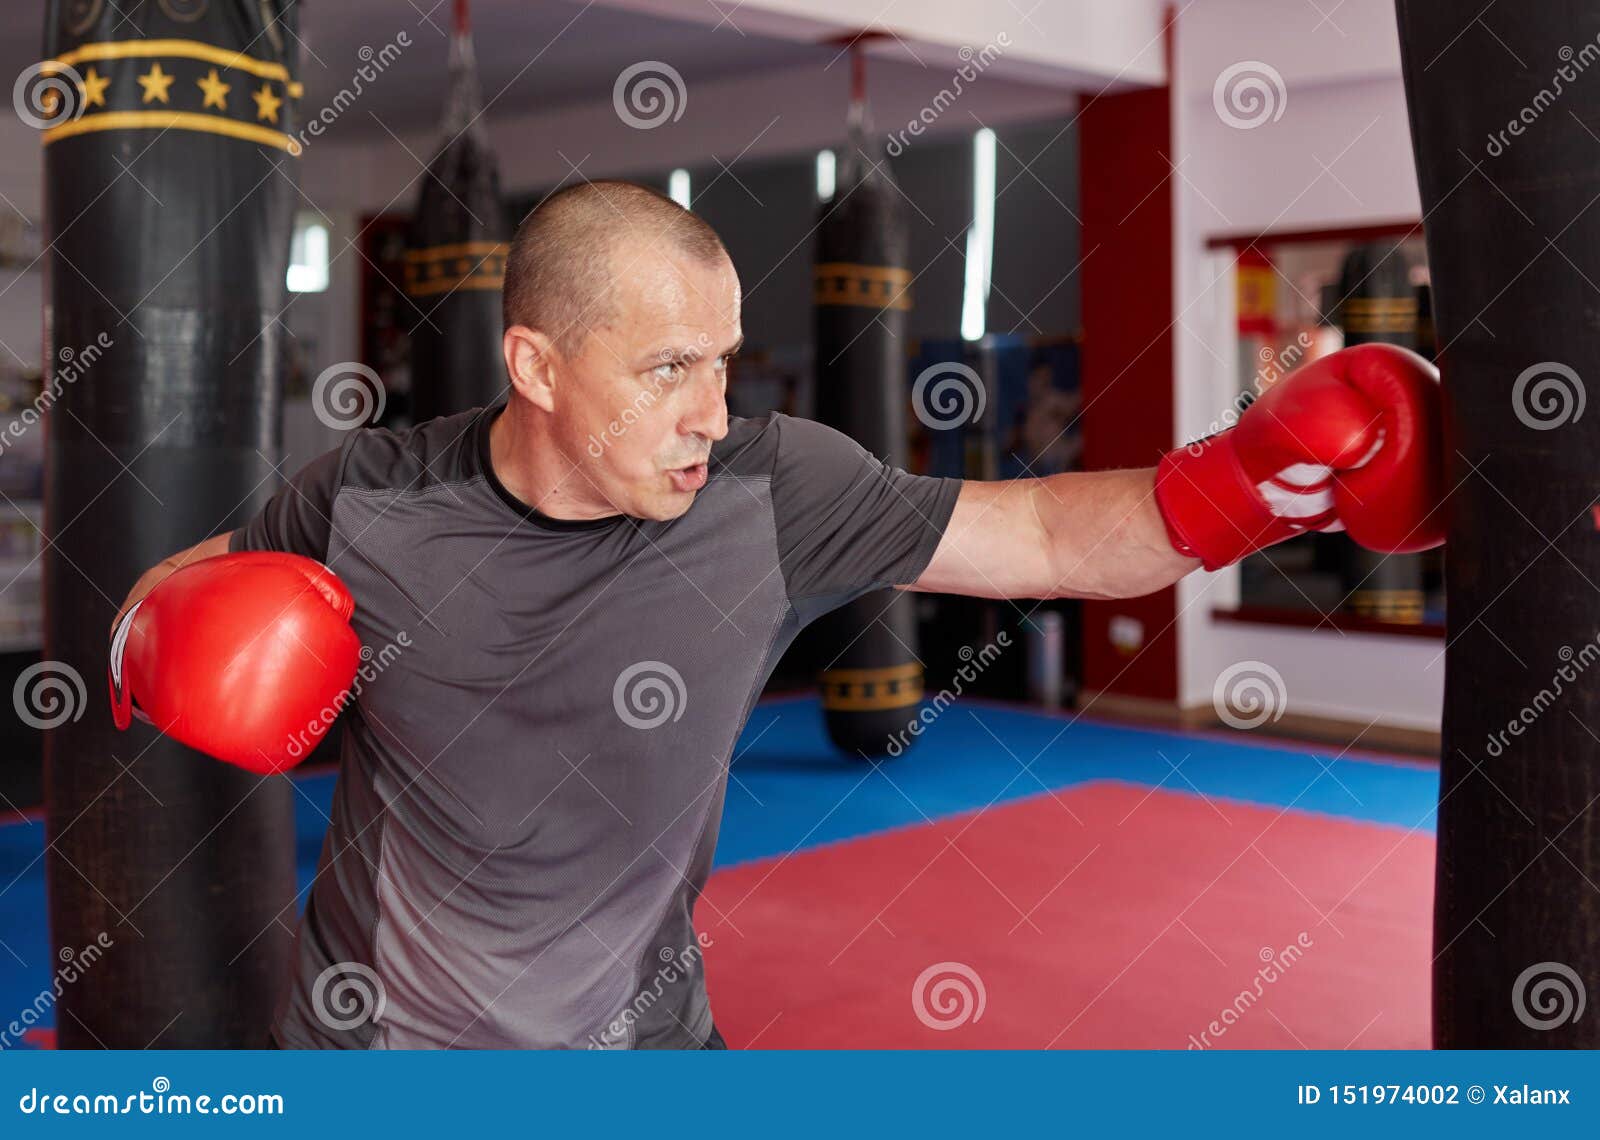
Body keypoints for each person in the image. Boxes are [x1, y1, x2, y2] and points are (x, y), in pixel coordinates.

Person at [108, 180, 1444, 1049]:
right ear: (538, 367)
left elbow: (1035, 533)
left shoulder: (771, 490)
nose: (709, 407)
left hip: (653, 1040)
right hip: (382, 1054)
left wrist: (1251, 487)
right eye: (668, 367)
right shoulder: (371, 499)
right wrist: (148, 648)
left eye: (725, 362)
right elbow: (175, 587)